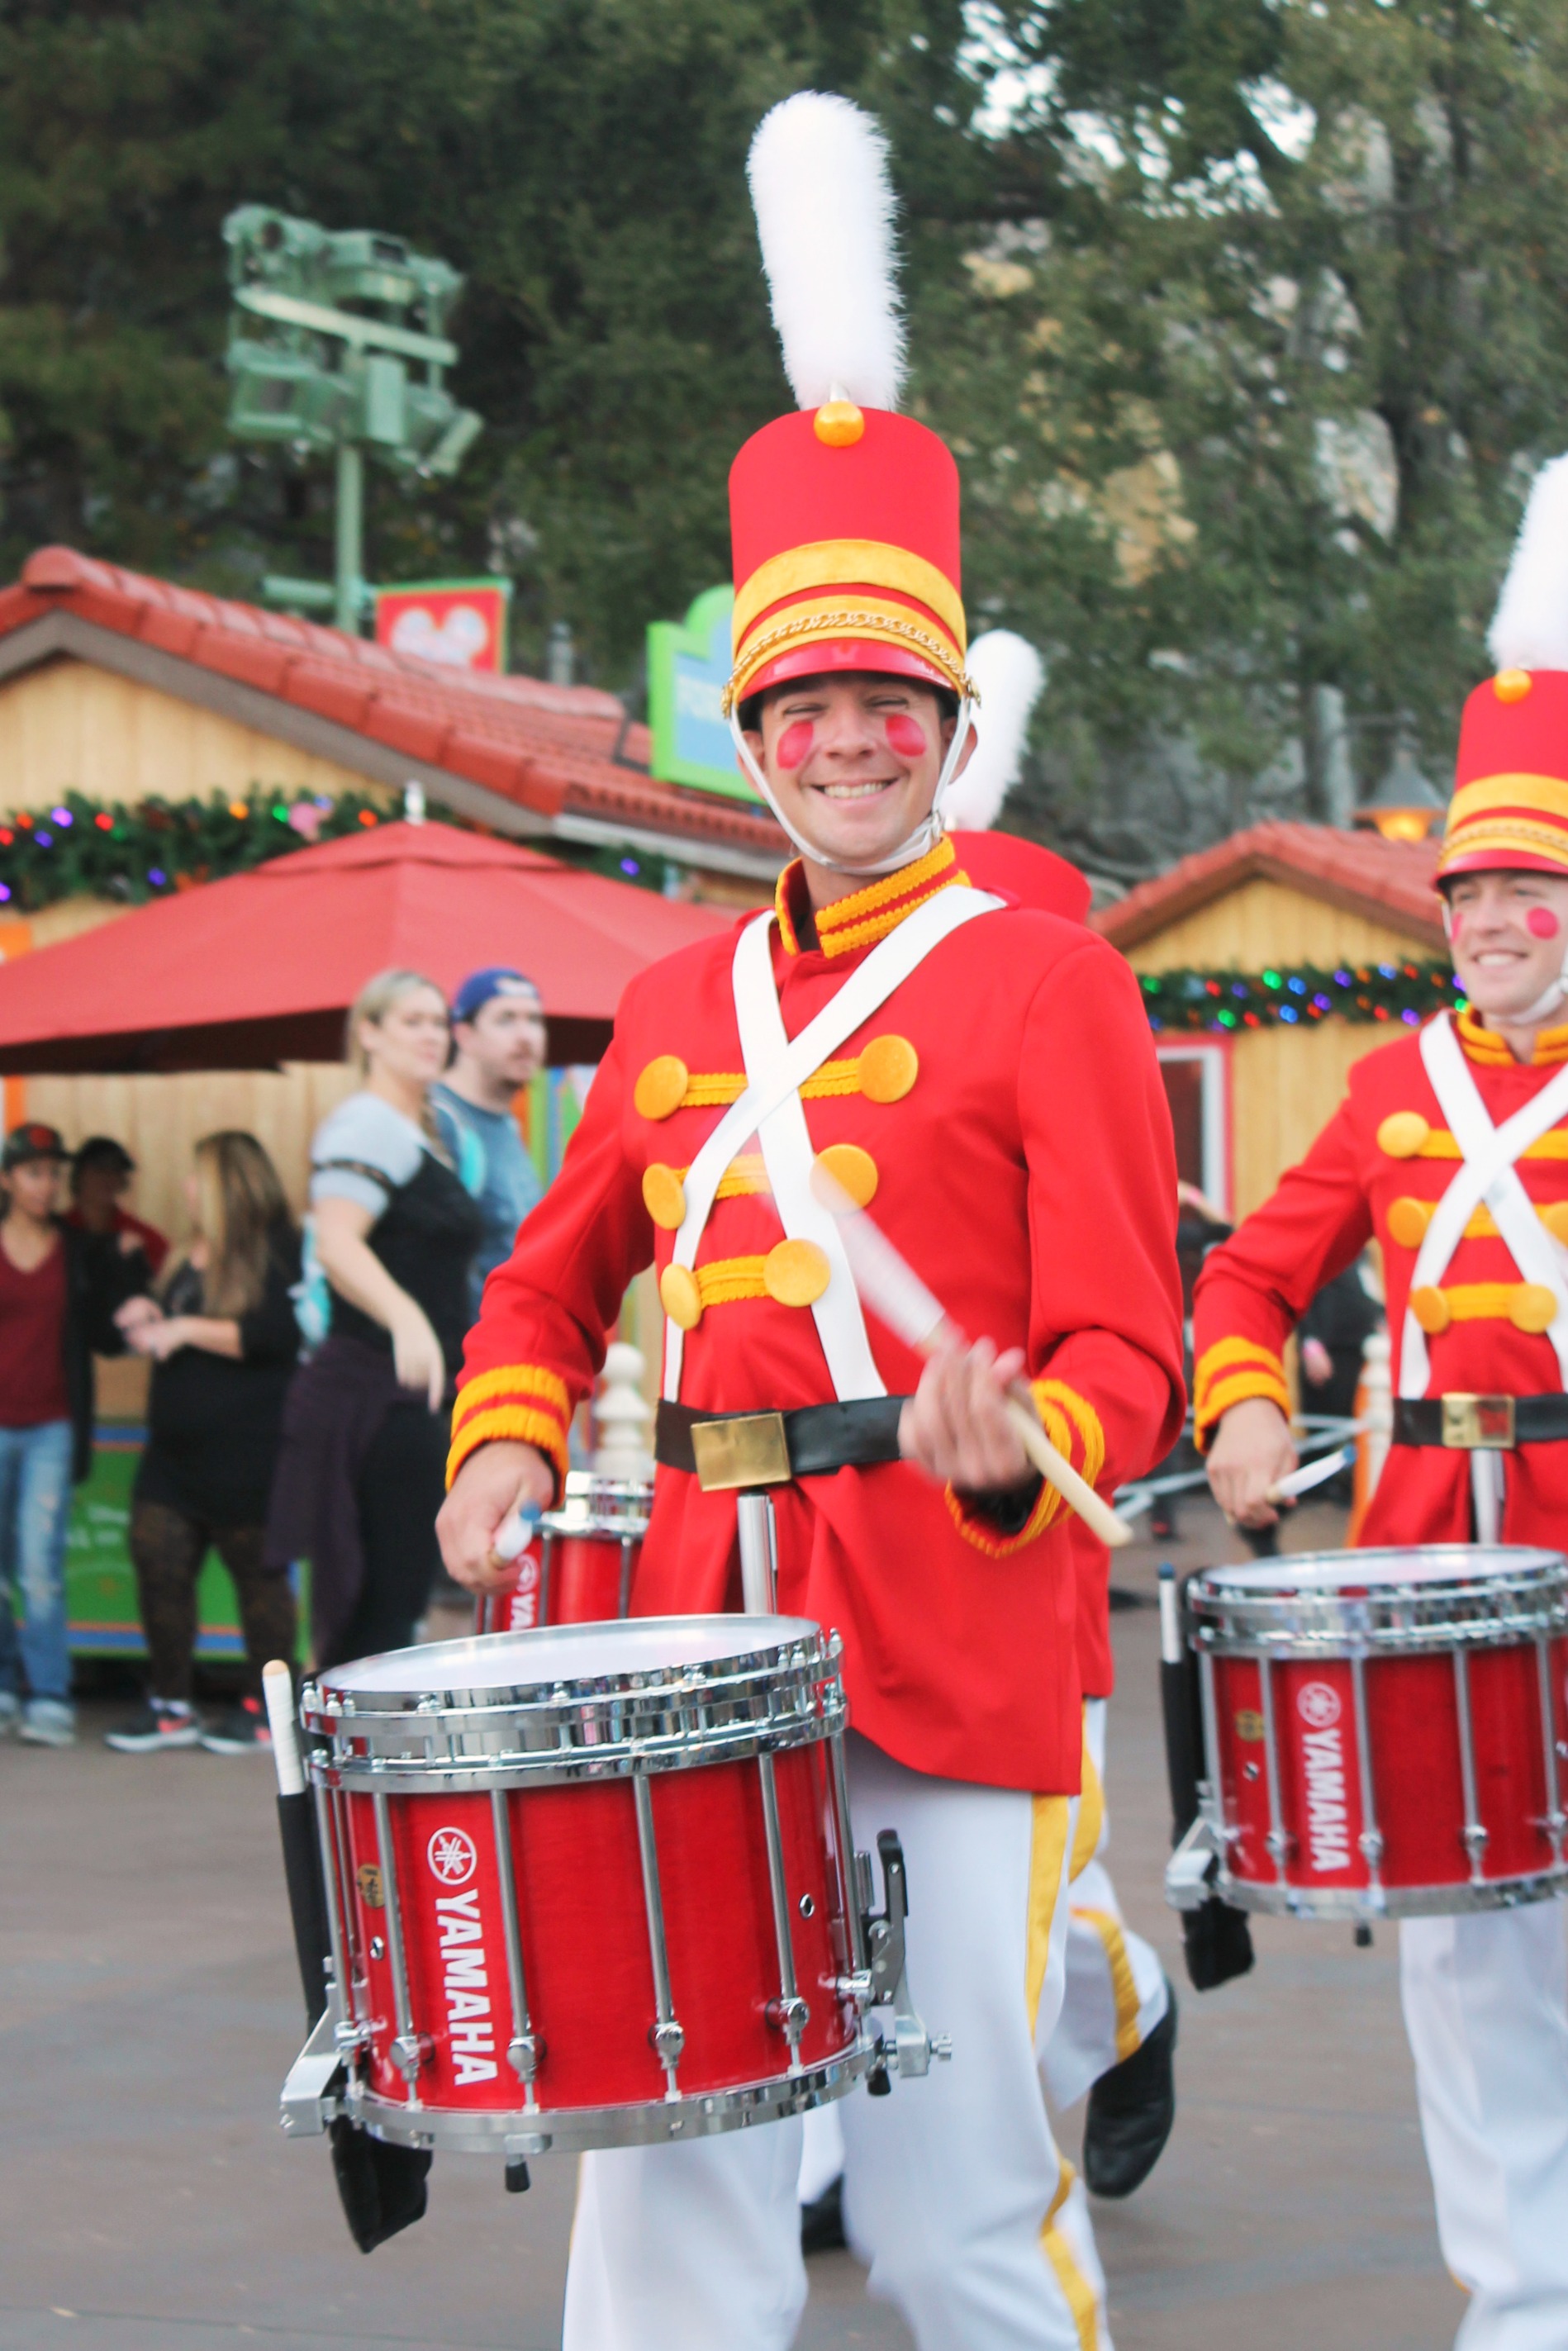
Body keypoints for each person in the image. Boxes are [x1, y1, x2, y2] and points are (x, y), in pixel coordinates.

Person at [438, 94, 1184, 2351]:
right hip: (699, 1637)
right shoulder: (673, 999)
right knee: (670, 2173)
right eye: (808, 702)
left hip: (954, 1631)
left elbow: (1128, 1355)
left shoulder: (1054, 976)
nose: (848, 737)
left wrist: (1016, 1441)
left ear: (947, 723)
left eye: (888, 701)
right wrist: (498, 1429)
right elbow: (554, 1270)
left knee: (957, 2197)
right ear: (753, 724)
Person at [1195, 450, 1568, 2351]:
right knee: (1468, 1961)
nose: (1496, 913)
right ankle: (1521, 2310)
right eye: (1476, 883)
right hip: (1426, 1555)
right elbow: (1247, 1276)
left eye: (1532, 881)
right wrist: (1245, 1405)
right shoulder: (1390, 1085)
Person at [267, 969, 483, 1668]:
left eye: (437, 1021)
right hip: (377, 1394)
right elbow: (336, 1242)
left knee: (392, 1600)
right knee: (374, 1608)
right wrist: (406, 1319)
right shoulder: (365, 1124)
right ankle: (344, 1770)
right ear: (368, 1034)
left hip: (413, 1394)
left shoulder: (424, 1129)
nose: (431, 1035)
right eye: (411, 1021)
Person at [102, 1133, 302, 1756]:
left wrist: (184, 1328)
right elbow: (171, 1325)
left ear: (227, 1185)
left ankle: (267, 1710)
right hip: (172, 1458)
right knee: (156, 1562)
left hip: (246, 1455)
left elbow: (274, 1335)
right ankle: (169, 1704)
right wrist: (148, 1312)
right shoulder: (188, 1255)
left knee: (260, 1582)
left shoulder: (276, 1250)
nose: (186, 1188)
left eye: (197, 1177)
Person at [0, 1123, 135, 1746]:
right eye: (34, 1172)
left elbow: (108, 1336)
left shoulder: (79, 1248)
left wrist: (128, 1269)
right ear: (7, 1179)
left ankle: (49, 1694)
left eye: (54, 1173)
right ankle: (5, 1687)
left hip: (53, 1423)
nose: (45, 1184)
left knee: (39, 1564)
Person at [430, 966, 547, 1315]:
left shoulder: (506, 1124)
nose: (526, 1036)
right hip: (460, 1353)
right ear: (463, 1035)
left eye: (535, 1020)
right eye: (506, 1019)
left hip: (510, 1348)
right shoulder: (439, 1121)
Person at [66, 1136, 169, 1275]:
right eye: (99, 1168)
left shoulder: (142, 1237)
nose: (107, 1178)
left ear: (122, 1180)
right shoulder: (58, 1232)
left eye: (115, 1170)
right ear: (79, 1176)